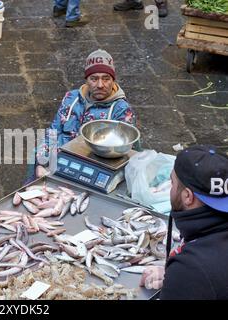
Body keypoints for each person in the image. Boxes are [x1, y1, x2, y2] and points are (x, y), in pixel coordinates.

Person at [32, 49, 136, 180]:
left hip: (90, 167)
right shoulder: (71, 97)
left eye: (106, 79)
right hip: (59, 157)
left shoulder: (121, 110)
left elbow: (121, 153)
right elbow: (53, 132)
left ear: (113, 80)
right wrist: (41, 162)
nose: (100, 85)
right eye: (94, 79)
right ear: (86, 79)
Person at [140, 145, 228, 299]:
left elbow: (202, 273)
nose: (171, 188)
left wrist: (180, 280)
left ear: (188, 196)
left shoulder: (191, 269)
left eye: (172, 183)